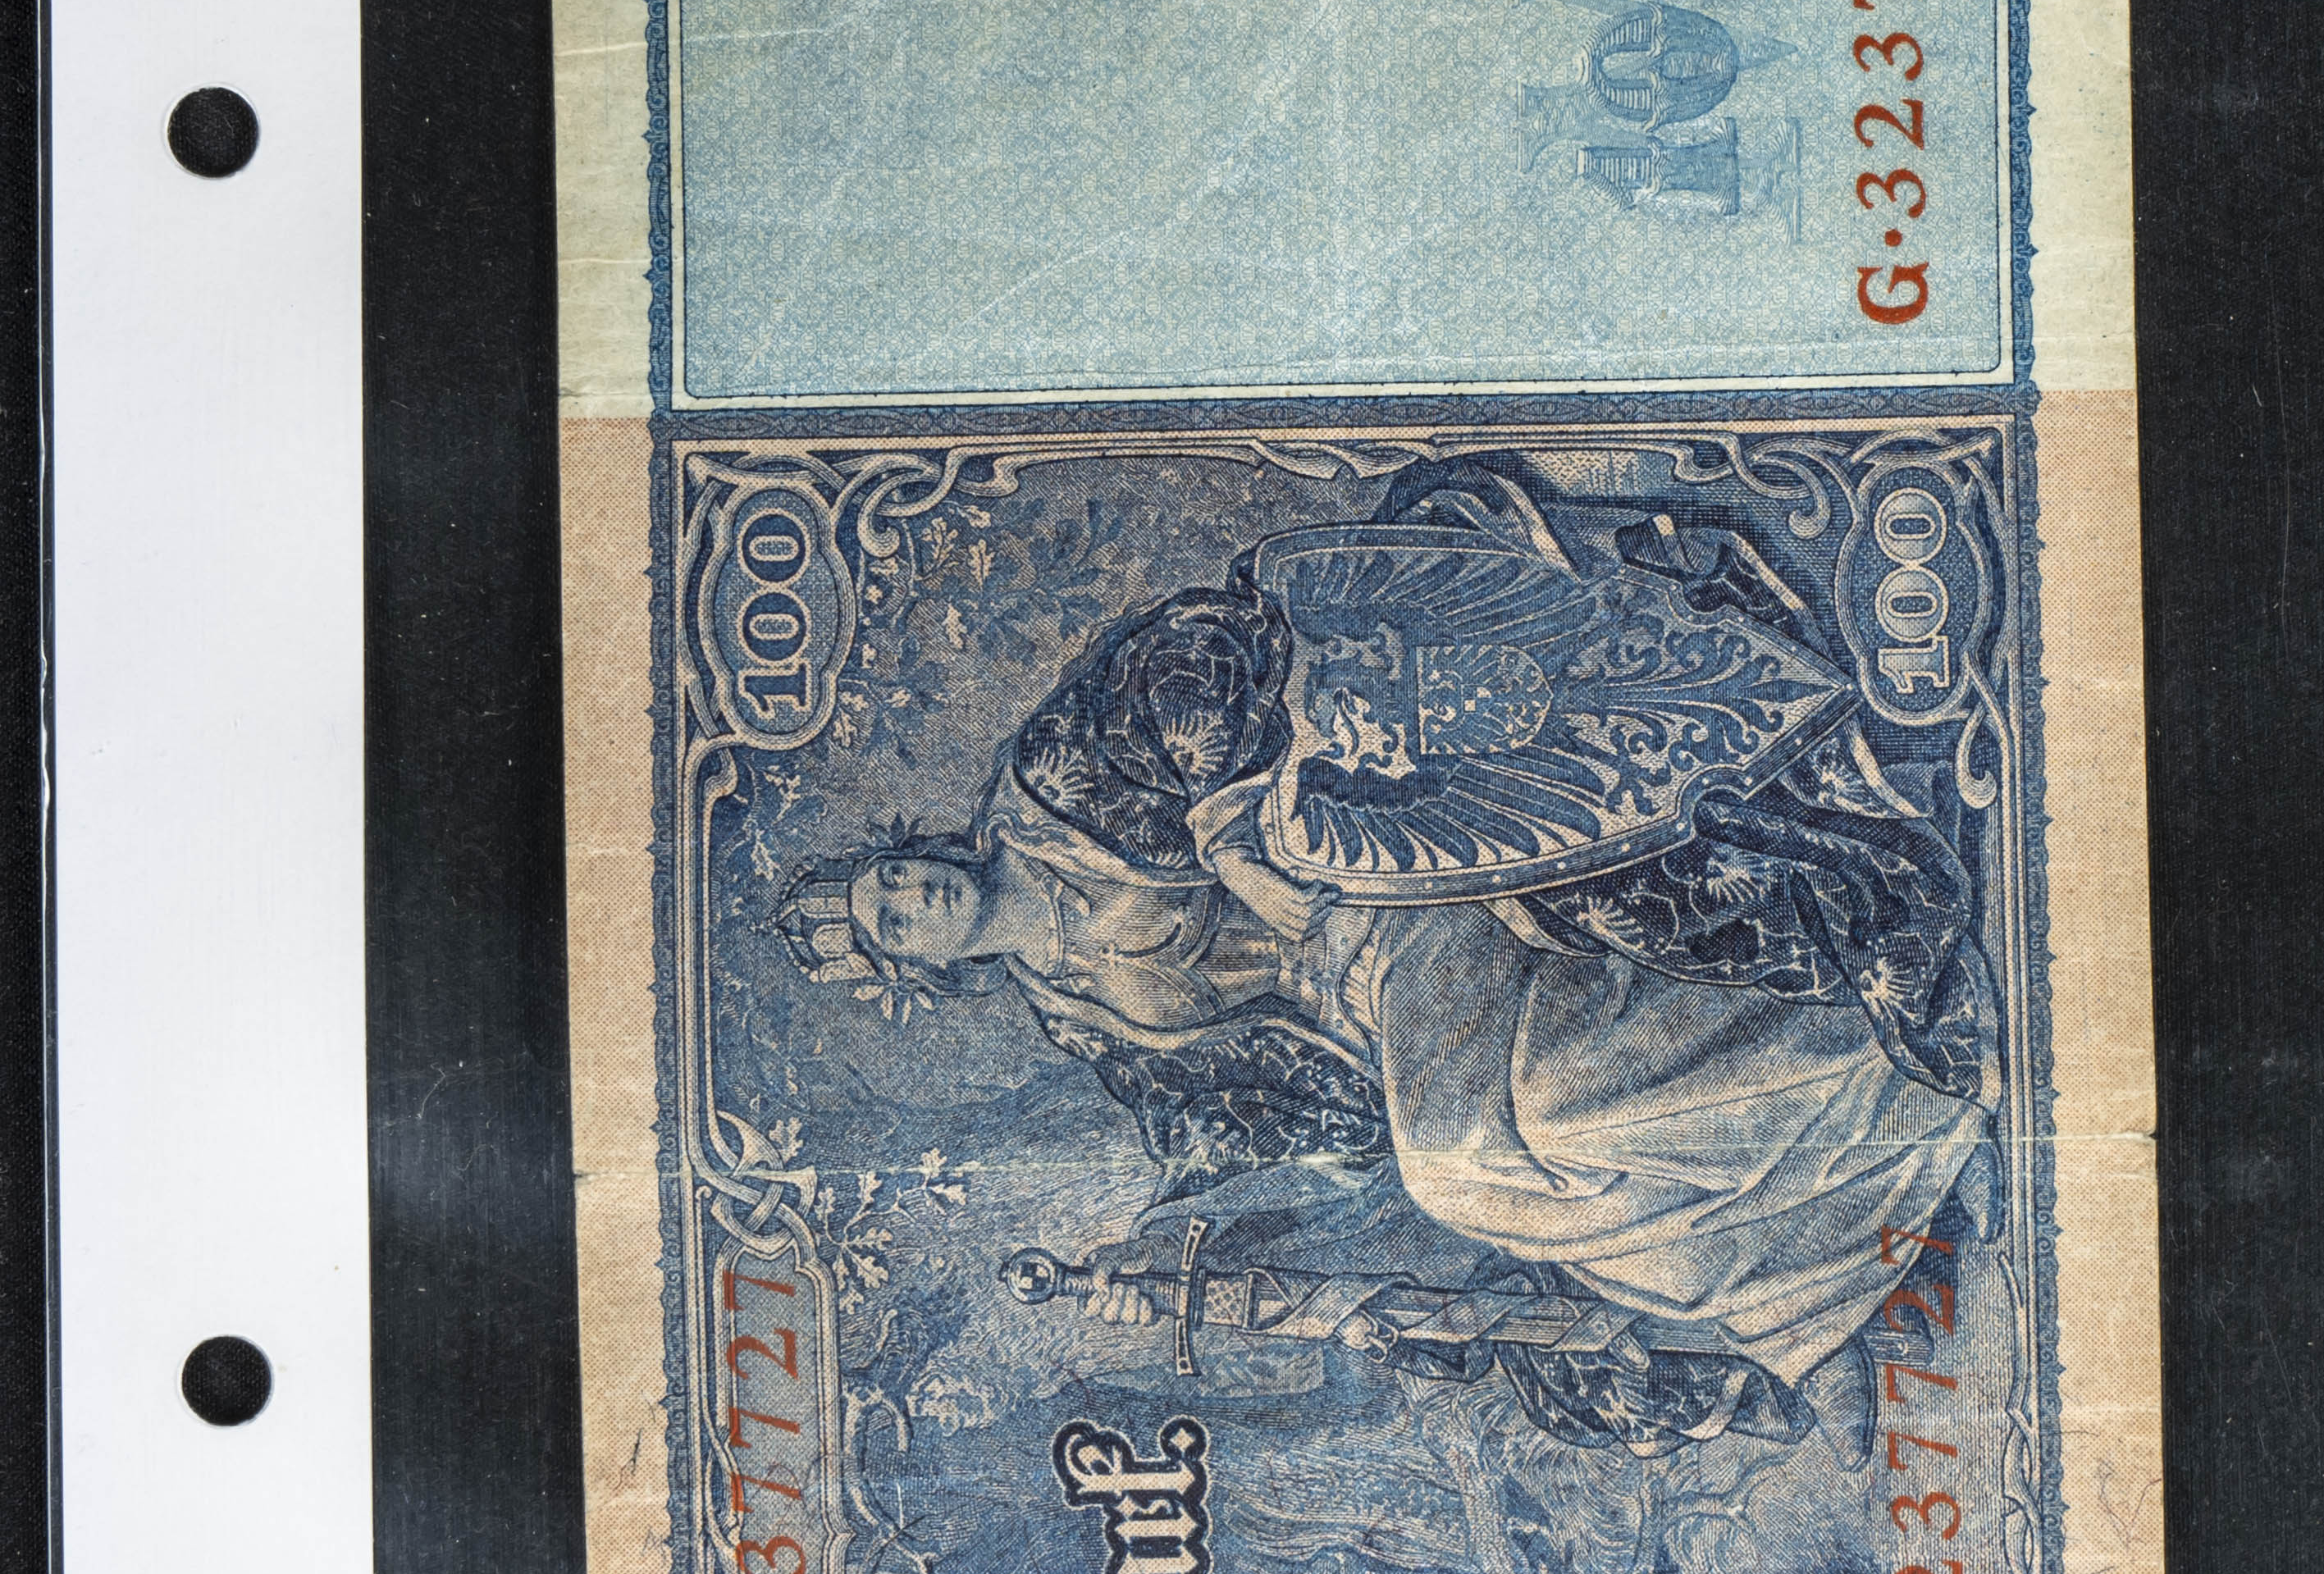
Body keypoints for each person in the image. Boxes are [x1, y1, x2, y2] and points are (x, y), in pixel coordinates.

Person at [774, 463, 1994, 1398]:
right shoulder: (1077, 1015)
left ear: (911, 846)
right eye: (894, 924)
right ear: (916, 972)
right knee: (1486, 1177)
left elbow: (1196, 654)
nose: (912, 898)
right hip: (1375, 1015)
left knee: (1517, 1131)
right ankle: (1825, 1269)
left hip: (1402, 887)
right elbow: (1228, 1116)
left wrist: (1228, 834)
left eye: (892, 877)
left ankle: (1873, 1095)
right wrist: (1160, 1242)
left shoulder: (1053, 786)